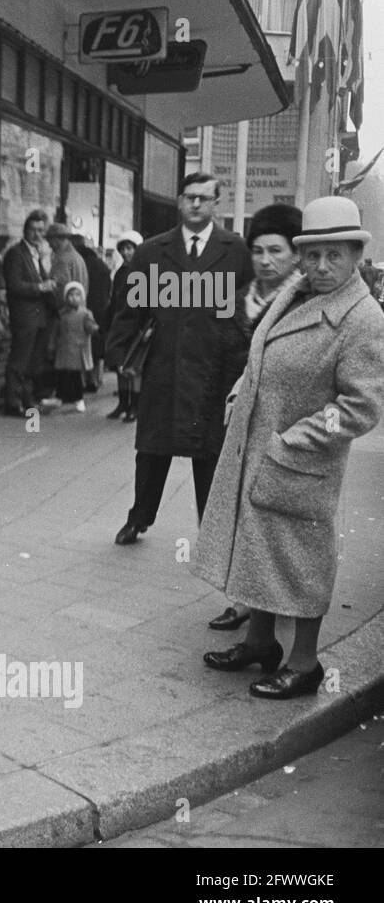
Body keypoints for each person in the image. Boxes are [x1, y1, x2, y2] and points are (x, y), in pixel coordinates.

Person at [194, 196, 384, 698]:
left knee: (302, 562)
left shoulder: (363, 318)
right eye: (313, 254)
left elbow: (362, 406)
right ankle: (260, 643)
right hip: (259, 450)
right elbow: (261, 354)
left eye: (334, 255)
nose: (321, 266)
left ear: (356, 256)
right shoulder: (295, 291)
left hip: (301, 462)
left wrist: (294, 440)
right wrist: (240, 391)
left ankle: (304, 663)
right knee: (260, 550)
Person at [105, 173, 253, 545]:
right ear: (179, 201)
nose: (197, 204)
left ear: (217, 203)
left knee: (209, 456)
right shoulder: (153, 251)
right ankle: (138, 518)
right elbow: (130, 310)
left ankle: (212, 531)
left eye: (205, 198)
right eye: (190, 197)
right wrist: (120, 353)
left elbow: (248, 312)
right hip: (164, 368)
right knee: (152, 451)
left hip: (214, 373)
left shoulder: (235, 251)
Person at [208, 203, 303, 632]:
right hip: (233, 424)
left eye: (276, 251)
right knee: (237, 516)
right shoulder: (236, 299)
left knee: (271, 523)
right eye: (258, 251)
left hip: (279, 429)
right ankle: (245, 599)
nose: (266, 261)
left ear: (296, 253)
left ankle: (274, 601)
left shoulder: (301, 305)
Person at [1, 209, 57, 416]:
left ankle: (27, 400)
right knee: (19, 359)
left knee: (32, 362)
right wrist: (40, 288)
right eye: (33, 230)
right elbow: (14, 285)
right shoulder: (16, 254)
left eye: (41, 231)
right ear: (25, 230)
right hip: (24, 316)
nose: (37, 235)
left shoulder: (37, 254)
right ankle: (13, 401)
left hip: (39, 316)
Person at [37, 223, 87, 405]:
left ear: (60, 240)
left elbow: (58, 288)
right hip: (78, 312)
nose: (50, 245)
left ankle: (64, 394)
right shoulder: (77, 258)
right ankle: (72, 395)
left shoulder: (63, 259)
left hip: (65, 315)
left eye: (51, 241)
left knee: (62, 355)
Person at [104, 231, 143, 421]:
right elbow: (114, 301)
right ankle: (123, 403)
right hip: (120, 325)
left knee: (133, 368)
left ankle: (134, 406)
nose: (126, 253)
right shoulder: (120, 272)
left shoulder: (144, 271)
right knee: (120, 365)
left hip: (136, 327)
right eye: (123, 249)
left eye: (130, 248)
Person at [70, 232, 111, 390]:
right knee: (97, 346)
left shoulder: (79, 262)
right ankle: (96, 379)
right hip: (100, 310)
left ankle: (84, 381)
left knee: (83, 346)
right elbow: (108, 288)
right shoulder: (101, 264)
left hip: (83, 308)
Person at [50, 281, 98, 412]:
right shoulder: (61, 314)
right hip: (64, 348)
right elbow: (55, 331)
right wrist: (51, 345)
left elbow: (89, 326)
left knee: (76, 376)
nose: (74, 298)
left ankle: (79, 399)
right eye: (71, 295)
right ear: (66, 297)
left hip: (77, 349)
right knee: (62, 374)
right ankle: (60, 396)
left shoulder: (85, 313)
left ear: (81, 297)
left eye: (77, 295)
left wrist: (93, 328)